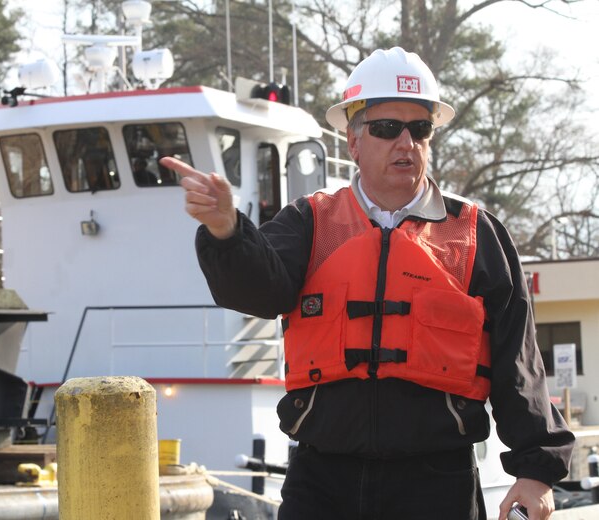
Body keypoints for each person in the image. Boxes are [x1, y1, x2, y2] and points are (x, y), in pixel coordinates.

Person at [160, 46, 575, 520]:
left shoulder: (477, 235)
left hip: (438, 484)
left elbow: (517, 363)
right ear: (354, 142)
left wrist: (536, 470)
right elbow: (257, 291)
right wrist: (226, 229)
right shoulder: (309, 221)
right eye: (386, 128)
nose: (406, 142)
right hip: (322, 482)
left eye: (420, 129)